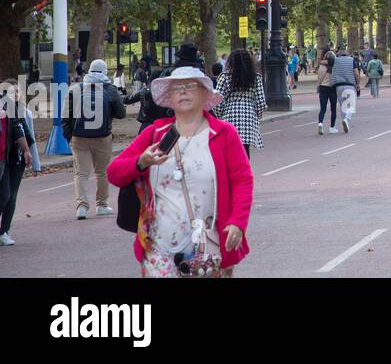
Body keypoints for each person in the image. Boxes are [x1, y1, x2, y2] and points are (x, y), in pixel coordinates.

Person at [107, 66, 253, 277]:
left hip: (207, 246)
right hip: (159, 248)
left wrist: (237, 222)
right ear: (170, 98)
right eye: (177, 88)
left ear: (205, 94)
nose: (183, 91)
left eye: (190, 86)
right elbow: (114, 173)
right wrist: (141, 162)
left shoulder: (223, 133)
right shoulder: (154, 134)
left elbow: (243, 181)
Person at [64, 58, 126, 219]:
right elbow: (121, 113)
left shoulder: (76, 88)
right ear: (105, 71)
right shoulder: (110, 89)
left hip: (79, 137)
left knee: (81, 173)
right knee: (102, 172)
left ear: (89, 70)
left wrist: (69, 136)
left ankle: (82, 207)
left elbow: (66, 116)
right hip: (102, 137)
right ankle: (102, 205)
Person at [0, 79, 38, 245]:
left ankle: (4, 231)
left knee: (11, 196)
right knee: (4, 195)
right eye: (11, 91)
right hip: (5, 157)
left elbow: (31, 139)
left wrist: (33, 160)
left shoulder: (25, 113)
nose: (15, 94)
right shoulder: (5, 108)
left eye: (17, 91)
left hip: (17, 159)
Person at [213, 49, 267, 158]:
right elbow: (261, 103)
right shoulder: (256, 78)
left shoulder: (225, 77)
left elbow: (217, 101)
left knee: (228, 151)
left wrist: (220, 116)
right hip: (249, 117)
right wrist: (257, 115)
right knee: (244, 150)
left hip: (228, 116)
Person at [331, 46, 359, 132]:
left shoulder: (335, 60)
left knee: (343, 105)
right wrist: (358, 84)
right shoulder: (352, 60)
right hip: (349, 84)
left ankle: (345, 124)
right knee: (351, 105)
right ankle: (346, 119)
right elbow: (356, 73)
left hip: (338, 86)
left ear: (339, 52)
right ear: (346, 52)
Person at [317, 51, 338, 134]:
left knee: (323, 108)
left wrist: (319, 85)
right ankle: (332, 127)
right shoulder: (335, 66)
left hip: (323, 87)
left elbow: (320, 77)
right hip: (332, 88)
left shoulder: (322, 66)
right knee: (333, 109)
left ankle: (320, 123)